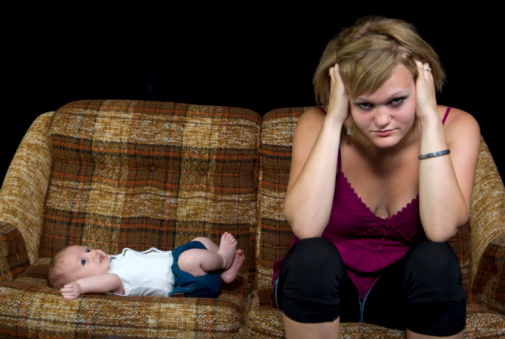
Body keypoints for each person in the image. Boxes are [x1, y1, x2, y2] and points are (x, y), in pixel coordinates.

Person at [274, 16, 480, 338]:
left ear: (421, 85)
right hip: (321, 288)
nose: (382, 120)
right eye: (365, 104)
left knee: (435, 258)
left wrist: (428, 117)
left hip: (404, 294)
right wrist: (334, 120)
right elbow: (306, 227)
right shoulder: (316, 123)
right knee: (311, 253)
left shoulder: (458, 127)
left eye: (397, 101)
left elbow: (440, 229)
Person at [48, 232, 245, 300]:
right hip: (184, 282)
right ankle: (223, 260)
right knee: (190, 258)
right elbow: (103, 282)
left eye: (88, 250)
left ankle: (224, 275)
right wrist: (81, 287)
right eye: (83, 262)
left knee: (199, 240)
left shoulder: (115, 260)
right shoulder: (115, 281)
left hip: (176, 257)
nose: (91, 255)